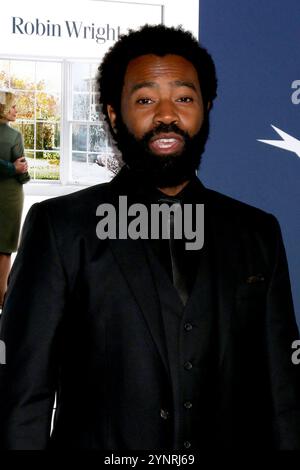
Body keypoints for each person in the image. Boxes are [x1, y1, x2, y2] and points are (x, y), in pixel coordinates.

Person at [0, 25, 299, 450]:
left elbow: (284, 394)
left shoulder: (257, 233)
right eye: (145, 100)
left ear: (206, 109)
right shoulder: (60, 227)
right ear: (113, 114)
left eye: (183, 98)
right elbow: (22, 397)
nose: (166, 115)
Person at [0, 90, 29, 310]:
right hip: (9, 195)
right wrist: (20, 170)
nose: (15, 110)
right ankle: (1, 297)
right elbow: (21, 169)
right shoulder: (13, 136)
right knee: (4, 249)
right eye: (12, 107)